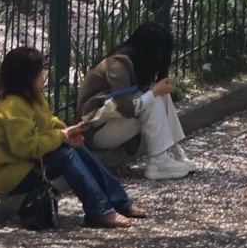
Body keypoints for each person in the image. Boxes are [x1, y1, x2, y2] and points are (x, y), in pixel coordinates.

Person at [0, 44, 134, 229]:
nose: (44, 75)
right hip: (10, 173)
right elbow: (25, 147)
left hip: (26, 163)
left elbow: (49, 121)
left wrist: (69, 133)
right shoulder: (11, 106)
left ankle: (120, 202)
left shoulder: (32, 97)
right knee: (65, 156)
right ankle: (99, 211)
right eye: (40, 72)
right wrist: (61, 136)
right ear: (26, 77)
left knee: (73, 149)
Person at [75, 17, 199, 183]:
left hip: (113, 123)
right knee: (153, 97)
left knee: (159, 94)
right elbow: (124, 108)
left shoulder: (134, 64)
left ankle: (171, 150)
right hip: (95, 131)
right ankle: (158, 161)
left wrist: (156, 90)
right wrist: (154, 91)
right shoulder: (118, 65)